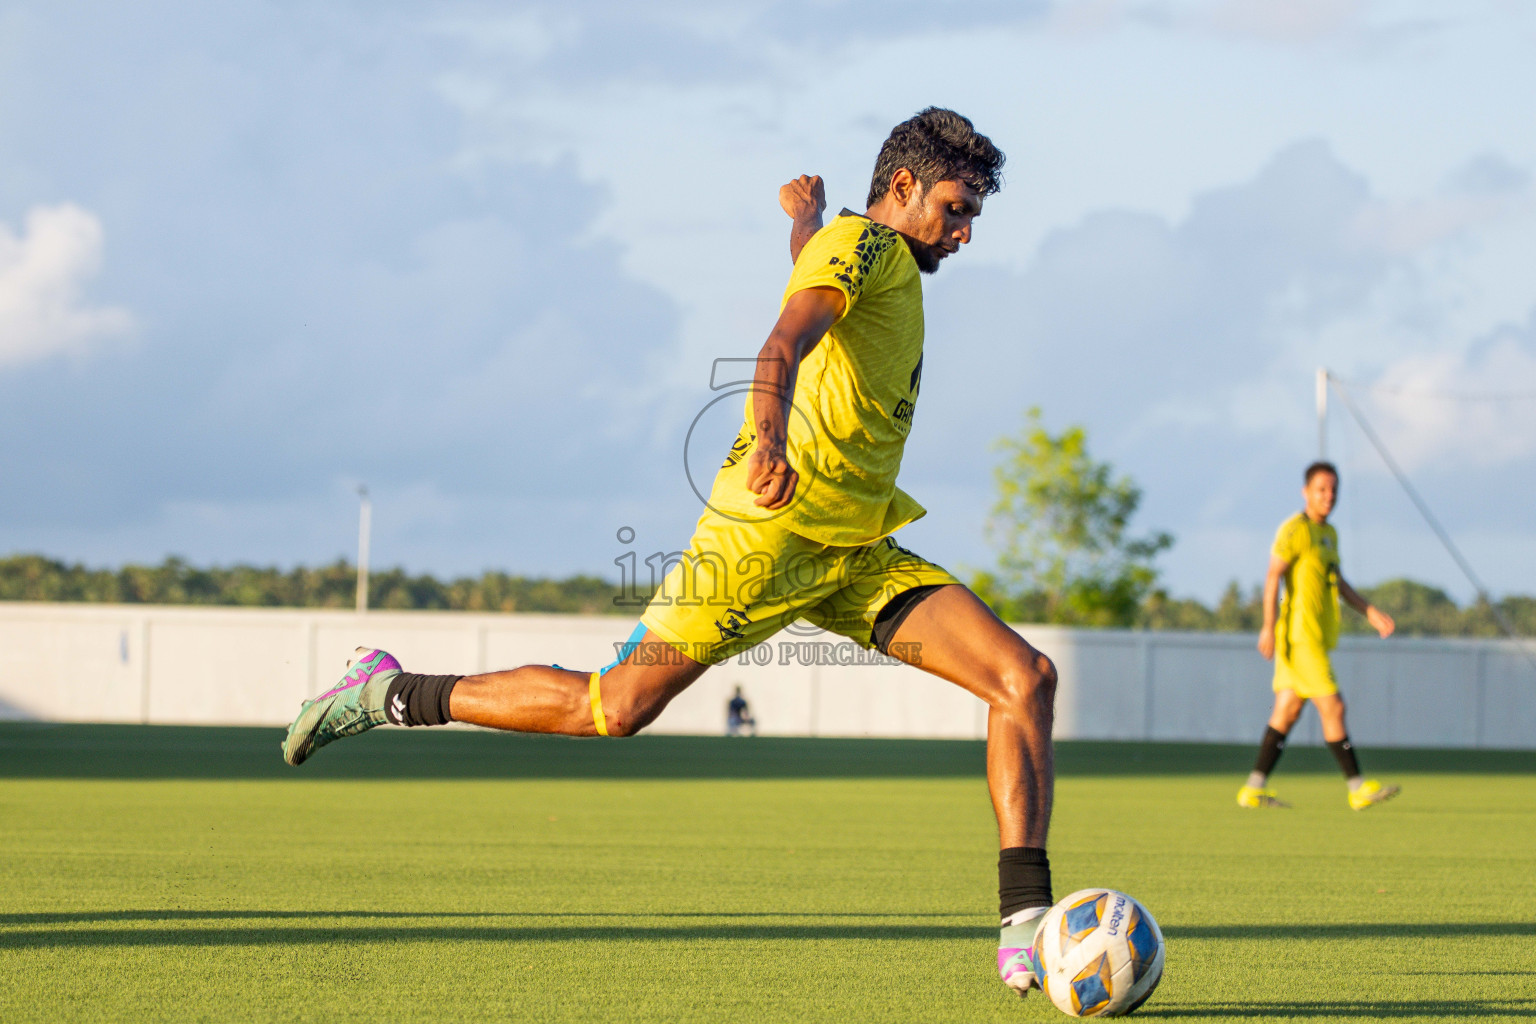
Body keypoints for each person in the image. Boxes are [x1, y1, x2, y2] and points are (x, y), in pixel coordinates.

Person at [282, 108, 1059, 999]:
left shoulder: (848, 246)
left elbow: (809, 276)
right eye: (955, 211)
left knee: (1022, 677)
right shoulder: (873, 252)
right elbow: (782, 342)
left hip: (854, 549)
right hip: (761, 540)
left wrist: (800, 218)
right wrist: (767, 437)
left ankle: (1025, 925)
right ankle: (388, 690)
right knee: (611, 709)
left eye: (973, 220)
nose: (962, 235)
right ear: (905, 189)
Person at [1237, 460, 1401, 811]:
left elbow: (1337, 581)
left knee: (1287, 712)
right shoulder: (1295, 530)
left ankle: (1253, 788)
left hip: (1315, 637)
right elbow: (1272, 577)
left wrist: (1369, 611)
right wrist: (1267, 625)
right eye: (1322, 489)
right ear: (1306, 492)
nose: (1329, 496)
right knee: (1333, 706)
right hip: (1299, 638)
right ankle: (1357, 788)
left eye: (1333, 489)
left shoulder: (1330, 534)